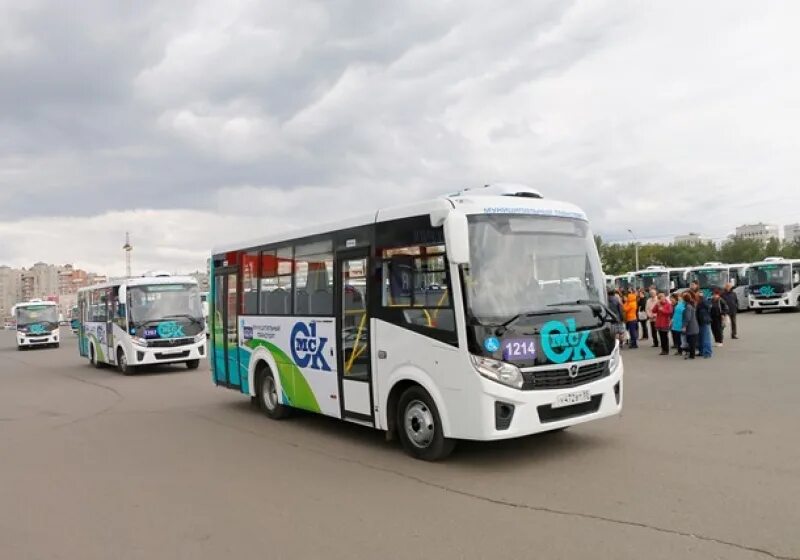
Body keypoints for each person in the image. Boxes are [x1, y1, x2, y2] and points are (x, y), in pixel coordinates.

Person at [681, 292, 699, 359]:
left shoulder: (688, 307)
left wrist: (684, 326)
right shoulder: (691, 305)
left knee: (691, 341)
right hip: (694, 326)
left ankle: (692, 355)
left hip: (691, 327)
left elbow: (687, 318)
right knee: (692, 341)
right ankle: (692, 354)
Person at [696, 293, 713, 358]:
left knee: (706, 338)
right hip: (700, 322)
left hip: (704, 322)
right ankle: (702, 352)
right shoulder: (700, 303)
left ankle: (708, 352)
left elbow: (708, 307)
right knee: (701, 338)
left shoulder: (703, 303)